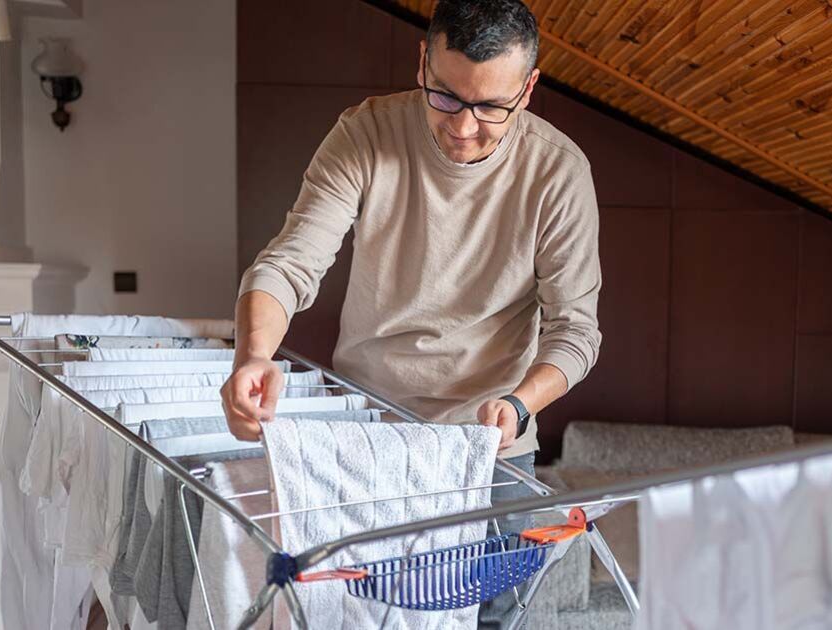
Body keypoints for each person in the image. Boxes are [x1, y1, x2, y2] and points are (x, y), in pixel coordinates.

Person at [221, 0, 602, 624]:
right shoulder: (365, 133)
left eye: (491, 109)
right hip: (367, 437)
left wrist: (518, 403)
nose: (463, 126)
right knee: (351, 615)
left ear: (528, 90)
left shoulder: (559, 174)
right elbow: (289, 263)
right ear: (421, 61)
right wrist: (253, 354)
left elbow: (575, 332)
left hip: (492, 449)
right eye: (446, 97)